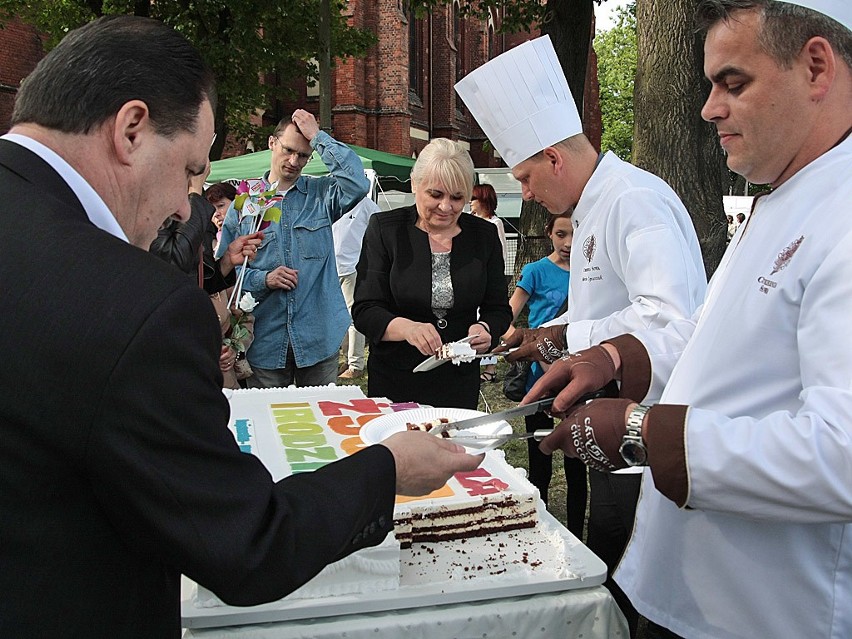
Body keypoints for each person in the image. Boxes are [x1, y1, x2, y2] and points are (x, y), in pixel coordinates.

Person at [0, 16, 484, 638]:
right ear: (131, 129)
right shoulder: (137, 304)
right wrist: (386, 469)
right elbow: (247, 540)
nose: (185, 206)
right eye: (189, 171)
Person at [525, 2, 852, 637]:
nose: (708, 109)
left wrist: (646, 432)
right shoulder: (781, 196)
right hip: (694, 589)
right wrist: (616, 358)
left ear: (816, 67)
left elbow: (841, 455)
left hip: (766, 611)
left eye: (734, 83)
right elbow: (713, 341)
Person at [456, 36, 707, 637]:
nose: (528, 193)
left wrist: (565, 339)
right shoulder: (596, 205)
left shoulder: (634, 201)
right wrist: (552, 335)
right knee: (608, 549)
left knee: (627, 570)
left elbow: (671, 318)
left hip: (644, 421)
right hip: (605, 414)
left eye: (525, 176)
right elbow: (610, 310)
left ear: (554, 156)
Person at [352, 138, 512, 409]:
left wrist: (485, 328)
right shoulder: (386, 230)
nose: (446, 207)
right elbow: (366, 310)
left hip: (458, 380)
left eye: (457, 197)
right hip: (397, 377)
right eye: (436, 195)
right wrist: (409, 329)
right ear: (415, 184)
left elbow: (498, 308)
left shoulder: (483, 235)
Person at [216, 109, 369, 388]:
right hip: (265, 339)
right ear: (272, 143)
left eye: (303, 155)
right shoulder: (244, 204)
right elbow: (223, 274)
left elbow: (357, 182)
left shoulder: (321, 195)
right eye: (288, 150)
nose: (294, 161)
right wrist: (264, 279)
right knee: (269, 423)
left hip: (317, 337)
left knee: (322, 424)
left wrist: (318, 137)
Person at [503, 211, 584, 534]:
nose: (567, 243)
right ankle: (539, 526)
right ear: (548, 233)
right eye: (561, 234)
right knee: (540, 456)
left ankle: (578, 532)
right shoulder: (535, 271)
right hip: (539, 376)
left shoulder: (591, 275)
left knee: (577, 461)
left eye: (574, 234)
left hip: (578, 375)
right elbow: (508, 313)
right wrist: (513, 338)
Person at [333, 195, 381, 380]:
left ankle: (356, 364)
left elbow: (379, 229)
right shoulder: (334, 200)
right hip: (332, 268)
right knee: (339, 318)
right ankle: (347, 359)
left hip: (353, 267)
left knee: (354, 317)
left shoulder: (367, 205)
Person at [470, 182, 507, 383]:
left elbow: (500, 255)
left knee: (487, 324)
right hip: (472, 282)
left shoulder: (495, 224)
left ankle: (490, 367)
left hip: (487, 282)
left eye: (474, 199)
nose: (470, 203)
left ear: (484, 200)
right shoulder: (469, 222)